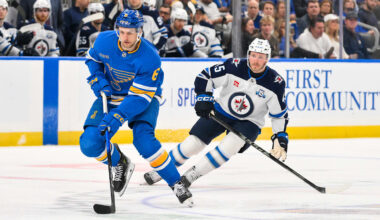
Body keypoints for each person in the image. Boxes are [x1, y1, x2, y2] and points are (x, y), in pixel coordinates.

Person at [79, 9, 193, 207]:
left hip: (143, 97)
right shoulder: (104, 40)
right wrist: (97, 77)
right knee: (89, 143)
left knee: (144, 142)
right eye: (122, 32)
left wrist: (118, 116)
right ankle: (119, 162)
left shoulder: (150, 57)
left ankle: (177, 183)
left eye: (130, 32)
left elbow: (139, 98)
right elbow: (92, 60)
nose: (125, 37)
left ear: (139, 31)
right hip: (112, 95)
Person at [143, 38, 289, 188]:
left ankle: (194, 173)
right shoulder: (234, 66)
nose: (256, 60)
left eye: (260, 57)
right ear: (248, 54)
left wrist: (280, 136)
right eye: (253, 55)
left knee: (228, 147)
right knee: (192, 144)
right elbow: (206, 76)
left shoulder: (275, 82)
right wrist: (203, 97)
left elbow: (279, 114)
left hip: (250, 123)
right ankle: (162, 171)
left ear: (267, 59)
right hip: (221, 111)